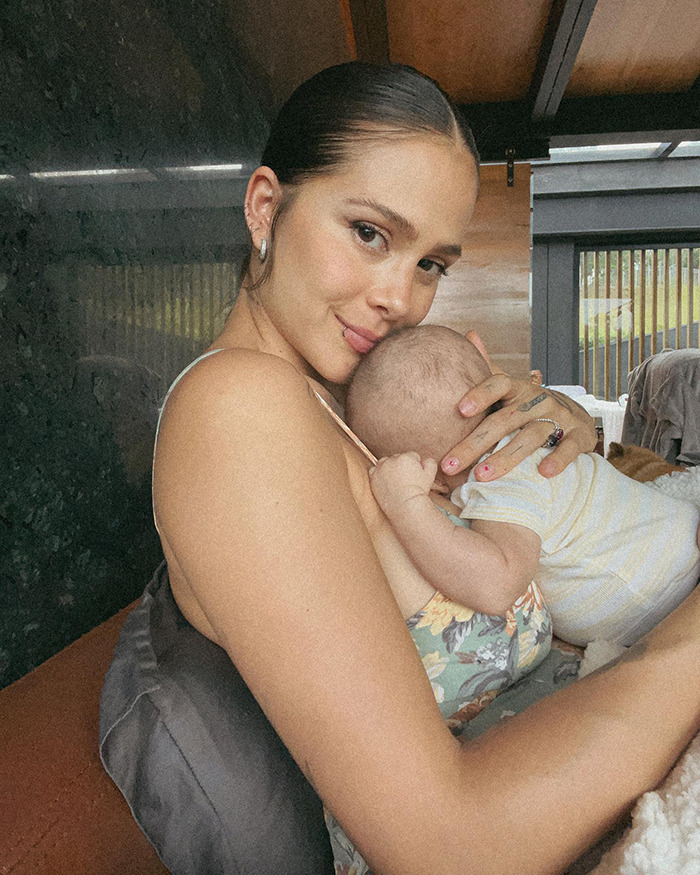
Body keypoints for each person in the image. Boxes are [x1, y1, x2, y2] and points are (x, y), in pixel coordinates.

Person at [100, 62, 700, 875]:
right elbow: (446, 843)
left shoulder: (334, 402)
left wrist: (567, 437)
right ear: (266, 207)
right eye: (370, 233)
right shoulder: (237, 404)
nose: (400, 297)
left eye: (431, 265)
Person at [346, 324, 700, 647]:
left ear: (433, 479)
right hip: (673, 547)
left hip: (667, 593)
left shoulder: (501, 477)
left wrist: (407, 503)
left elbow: (495, 585)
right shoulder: (529, 441)